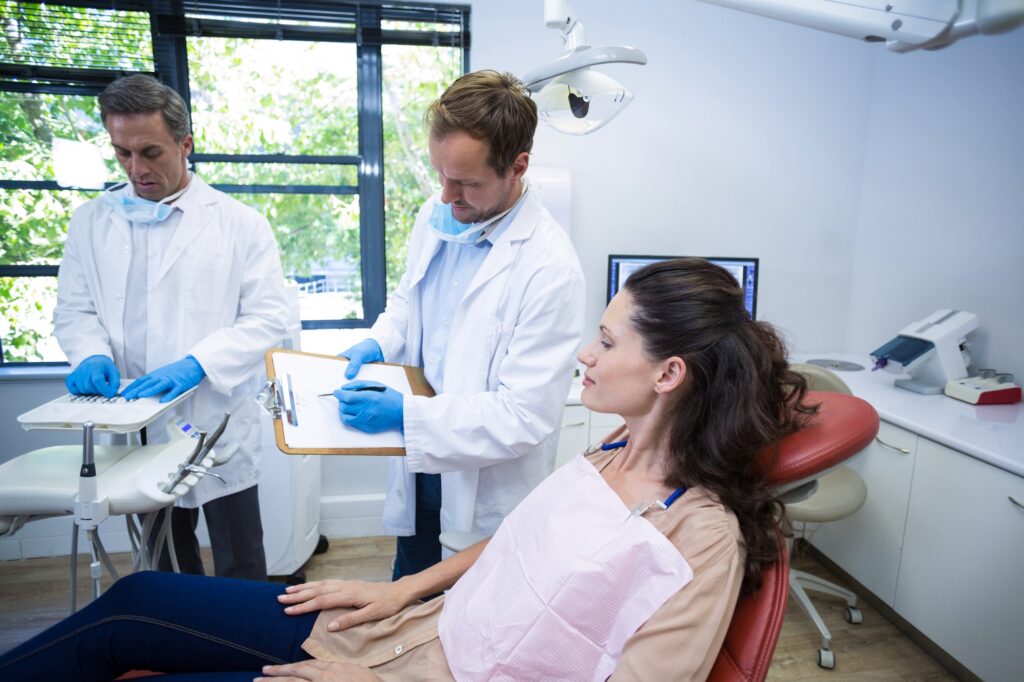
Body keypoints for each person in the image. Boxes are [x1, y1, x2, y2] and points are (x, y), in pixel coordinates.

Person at [0, 258, 817, 681]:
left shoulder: (699, 536)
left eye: (606, 342)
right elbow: (517, 544)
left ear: (669, 374)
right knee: (136, 602)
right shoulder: (608, 451)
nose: (585, 353)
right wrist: (399, 589)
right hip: (404, 630)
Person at [333, 70, 585, 579]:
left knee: (459, 628)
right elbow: (410, 298)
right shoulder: (441, 213)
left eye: (466, 182)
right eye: (440, 175)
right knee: (403, 599)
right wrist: (378, 340)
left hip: (481, 489)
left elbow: (523, 415)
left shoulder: (550, 268)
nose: (447, 196)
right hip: (422, 468)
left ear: (517, 166)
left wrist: (407, 417)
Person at [52, 74, 291, 580]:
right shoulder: (90, 222)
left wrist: (196, 364)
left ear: (186, 144)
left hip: (213, 415)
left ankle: (245, 650)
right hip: (134, 417)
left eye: (150, 152)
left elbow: (271, 318)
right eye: (122, 153)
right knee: (162, 560)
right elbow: (75, 309)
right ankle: (178, 644)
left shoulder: (238, 223)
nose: (136, 169)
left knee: (240, 558)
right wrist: (89, 352)